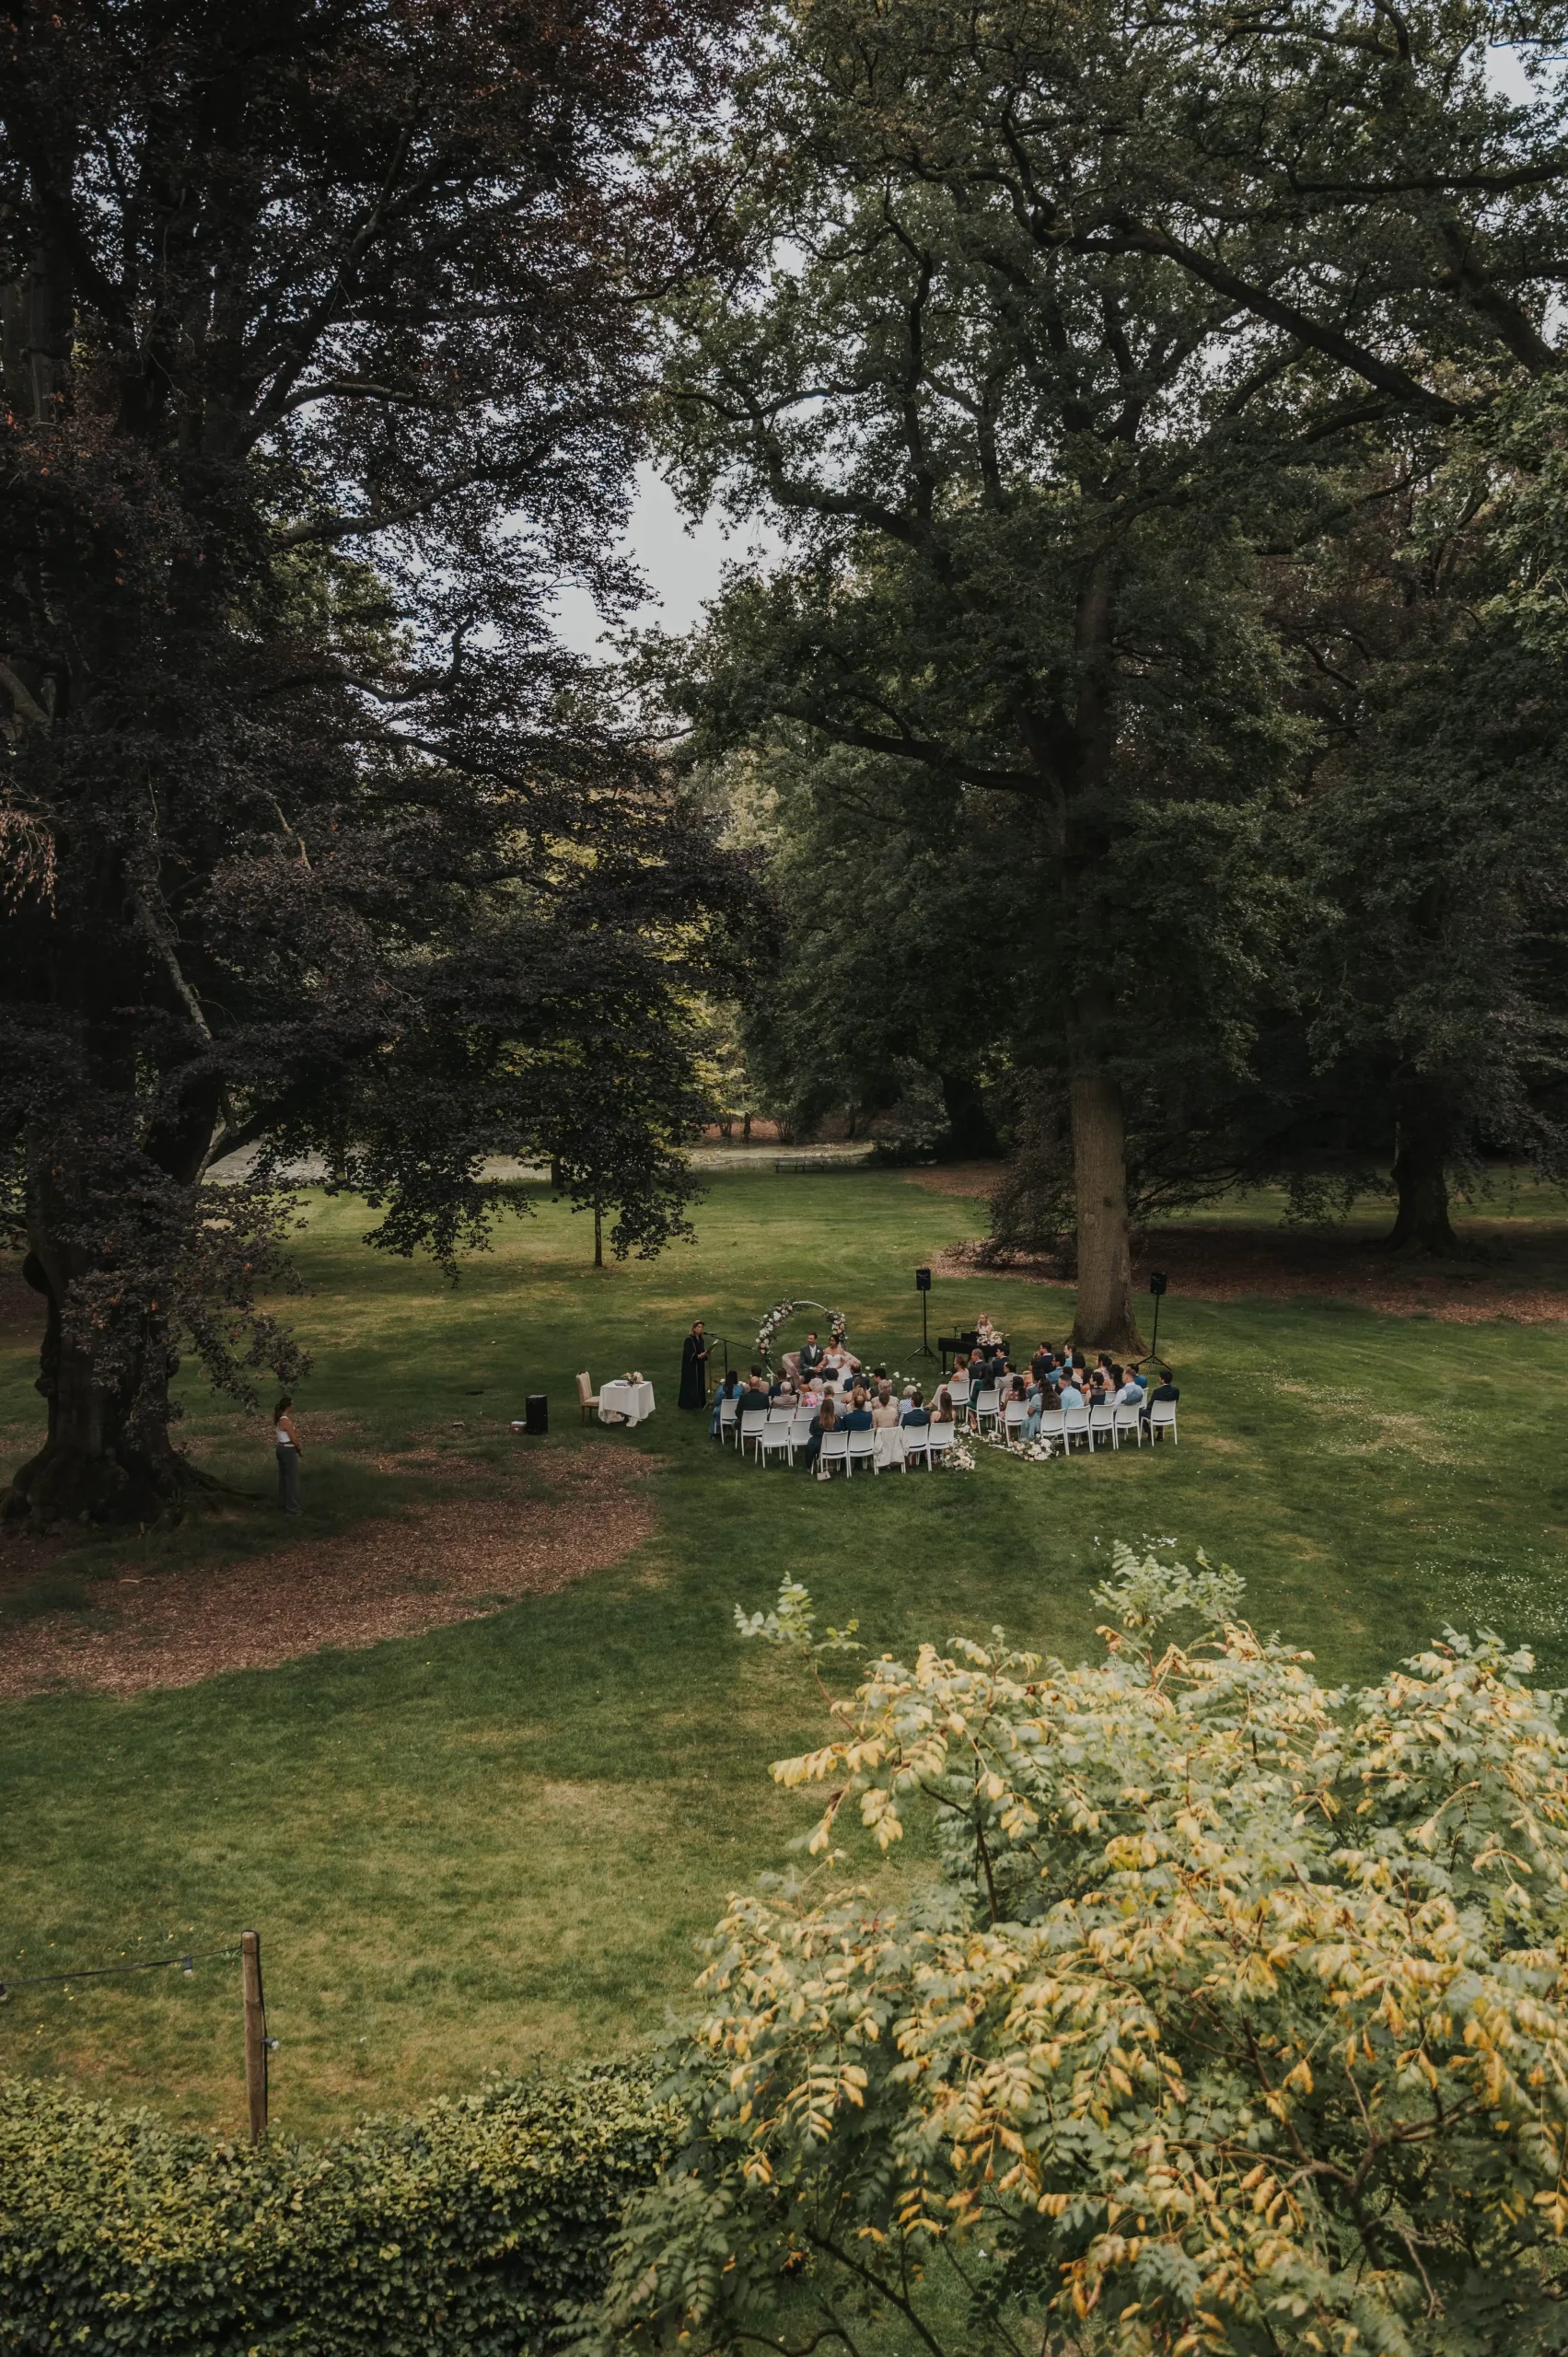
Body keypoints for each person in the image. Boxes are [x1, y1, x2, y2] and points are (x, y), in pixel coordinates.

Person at [273, 1396, 302, 1513]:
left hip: (280, 1448)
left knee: (283, 1479)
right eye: (292, 1404)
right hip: (288, 1450)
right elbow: (294, 1439)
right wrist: (299, 1447)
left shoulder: (279, 1419)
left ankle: (283, 1504)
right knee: (292, 1480)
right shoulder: (287, 1422)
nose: (293, 1406)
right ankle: (293, 1508)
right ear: (288, 1407)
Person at [803, 1393, 838, 1475]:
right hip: (834, 1444)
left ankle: (809, 1467)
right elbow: (840, 1430)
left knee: (810, 1444)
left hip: (818, 1445)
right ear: (833, 1408)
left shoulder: (816, 1419)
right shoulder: (838, 1419)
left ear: (822, 1408)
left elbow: (811, 1431)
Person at [679, 1319, 710, 1411]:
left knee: (700, 1382)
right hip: (691, 1367)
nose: (700, 1329)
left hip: (699, 1366)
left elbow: (701, 1350)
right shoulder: (689, 1340)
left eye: (701, 1327)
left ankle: (700, 1402)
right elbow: (688, 1354)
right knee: (692, 1384)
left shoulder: (701, 1339)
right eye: (698, 1327)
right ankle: (690, 1403)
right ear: (694, 1328)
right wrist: (698, 1356)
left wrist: (705, 1354)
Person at [709, 1364, 743, 1437]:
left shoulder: (722, 1389)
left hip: (723, 1412)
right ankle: (729, 1429)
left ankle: (715, 1433)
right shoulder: (740, 1389)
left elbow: (717, 1401)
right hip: (736, 1412)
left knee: (716, 1410)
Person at [1145, 1368, 1180, 1436]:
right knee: (1159, 1409)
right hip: (1169, 1413)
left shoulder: (1157, 1391)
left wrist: (1146, 1408)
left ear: (1162, 1380)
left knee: (1140, 1412)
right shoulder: (1176, 1390)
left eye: (1159, 1377)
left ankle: (1150, 1433)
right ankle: (1159, 1432)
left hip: (1157, 1414)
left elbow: (1150, 1406)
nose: (1158, 1378)